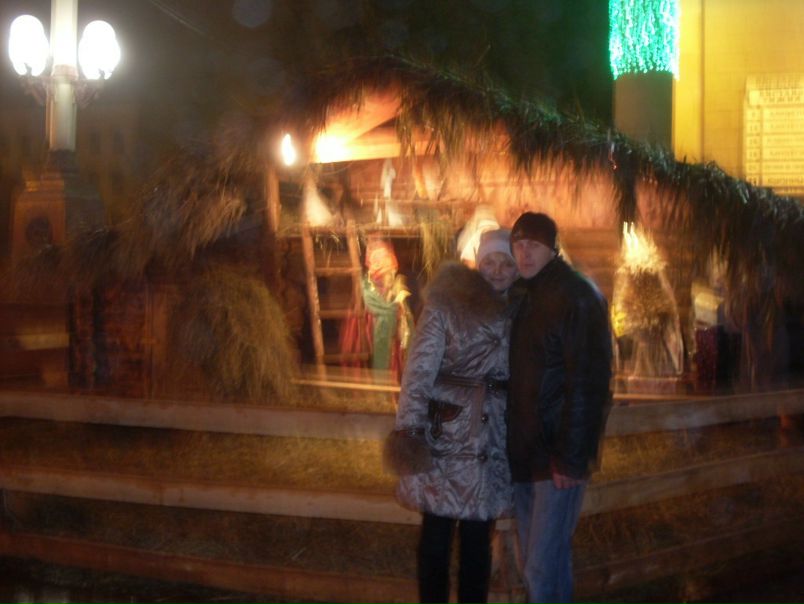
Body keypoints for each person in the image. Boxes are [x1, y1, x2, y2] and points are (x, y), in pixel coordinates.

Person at [390, 229, 519, 604]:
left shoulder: (521, 310)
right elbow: (419, 370)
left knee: (478, 537)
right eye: (490, 262)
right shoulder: (447, 304)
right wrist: (409, 431)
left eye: (506, 263)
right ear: (478, 263)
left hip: (493, 434)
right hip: (446, 433)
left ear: (516, 269)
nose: (498, 271)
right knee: (437, 530)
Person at [506, 212, 612, 604]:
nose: (524, 253)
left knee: (539, 567)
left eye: (533, 245)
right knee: (543, 561)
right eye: (518, 245)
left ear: (552, 249)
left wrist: (571, 458)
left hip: (556, 458)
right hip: (525, 453)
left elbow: (588, 382)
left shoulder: (576, 297)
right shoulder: (522, 296)